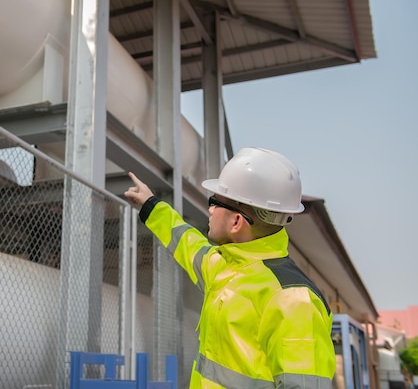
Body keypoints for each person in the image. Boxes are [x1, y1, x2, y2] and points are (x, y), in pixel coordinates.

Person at [124, 147, 335, 389]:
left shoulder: (294, 300)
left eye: (215, 202)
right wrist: (151, 205)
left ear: (236, 222)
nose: (210, 210)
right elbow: (188, 244)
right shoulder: (225, 266)